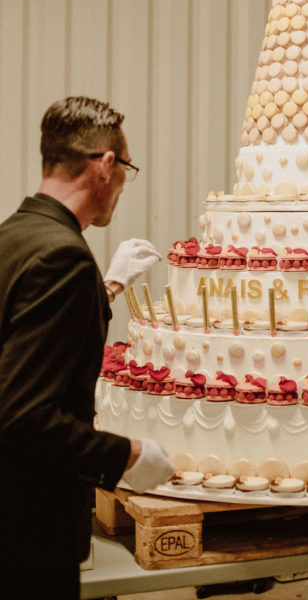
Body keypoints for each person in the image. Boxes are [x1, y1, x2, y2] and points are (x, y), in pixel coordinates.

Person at [0, 96, 174, 600]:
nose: (122, 185)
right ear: (105, 165)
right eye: (127, 169)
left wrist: (109, 288)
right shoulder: (65, 257)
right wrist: (125, 454)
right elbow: (22, 414)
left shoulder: (13, 237)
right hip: (26, 531)